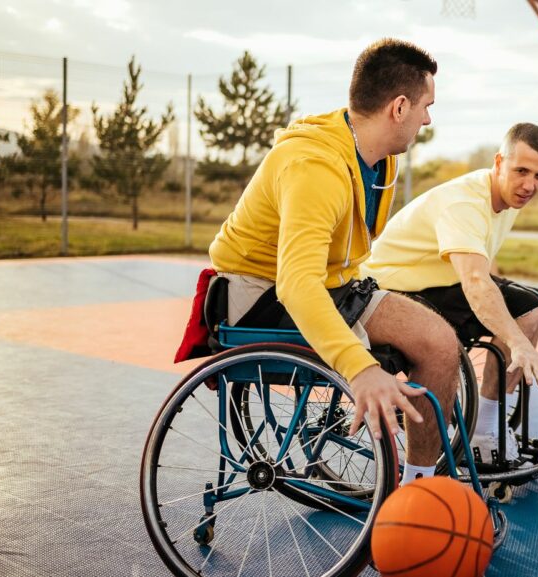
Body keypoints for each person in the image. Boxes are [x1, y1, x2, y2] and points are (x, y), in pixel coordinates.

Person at [207, 38, 461, 485]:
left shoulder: (376, 159)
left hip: (329, 284)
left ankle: (418, 485)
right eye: (426, 106)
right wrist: (360, 368)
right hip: (260, 294)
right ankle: (405, 487)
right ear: (399, 107)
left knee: (440, 342)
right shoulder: (314, 166)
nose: (428, 118)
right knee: (378, 367)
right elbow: (296, 283)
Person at [362, 122, 538, 464]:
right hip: (391, 286)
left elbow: (484, 266)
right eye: (522, 171)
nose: (530, 185)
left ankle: (485, 424)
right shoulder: (464, 202)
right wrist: (518, 343)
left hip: (433, 282)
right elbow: (474, 281)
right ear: (499, 163)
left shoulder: (506, 198)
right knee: (517, 322)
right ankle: (480, 435)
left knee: (533, 306)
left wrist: (513, 319)